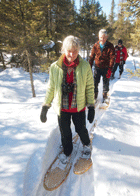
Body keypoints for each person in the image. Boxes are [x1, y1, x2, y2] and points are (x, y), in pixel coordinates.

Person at [40, 35, 95, 165]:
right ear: (64, 50)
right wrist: (45, 106)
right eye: (69, 50)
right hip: (62, 107)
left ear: (78, 51)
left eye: (75, 51)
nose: (72, 54)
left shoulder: (85, 66)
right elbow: (51, 88)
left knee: (80, 129)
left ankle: (86, 144)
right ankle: (67, 150)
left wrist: (91, 106)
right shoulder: (55, 67)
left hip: (78, 106)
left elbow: (89, 87)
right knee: (64, 131)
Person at [89, 29, 115, 103]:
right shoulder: (95, 45)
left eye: (104, 37)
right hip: (97, 67)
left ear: (106, 37)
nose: (102, 39)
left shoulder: (110, 46)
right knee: (95, 83)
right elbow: (91, 57)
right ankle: (94, 96)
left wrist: (110, 69)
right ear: (98, 37)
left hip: (106, 68)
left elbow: (112, 58)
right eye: (101, 37)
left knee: (105, 83)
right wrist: (89, 68)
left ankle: (105, 96)